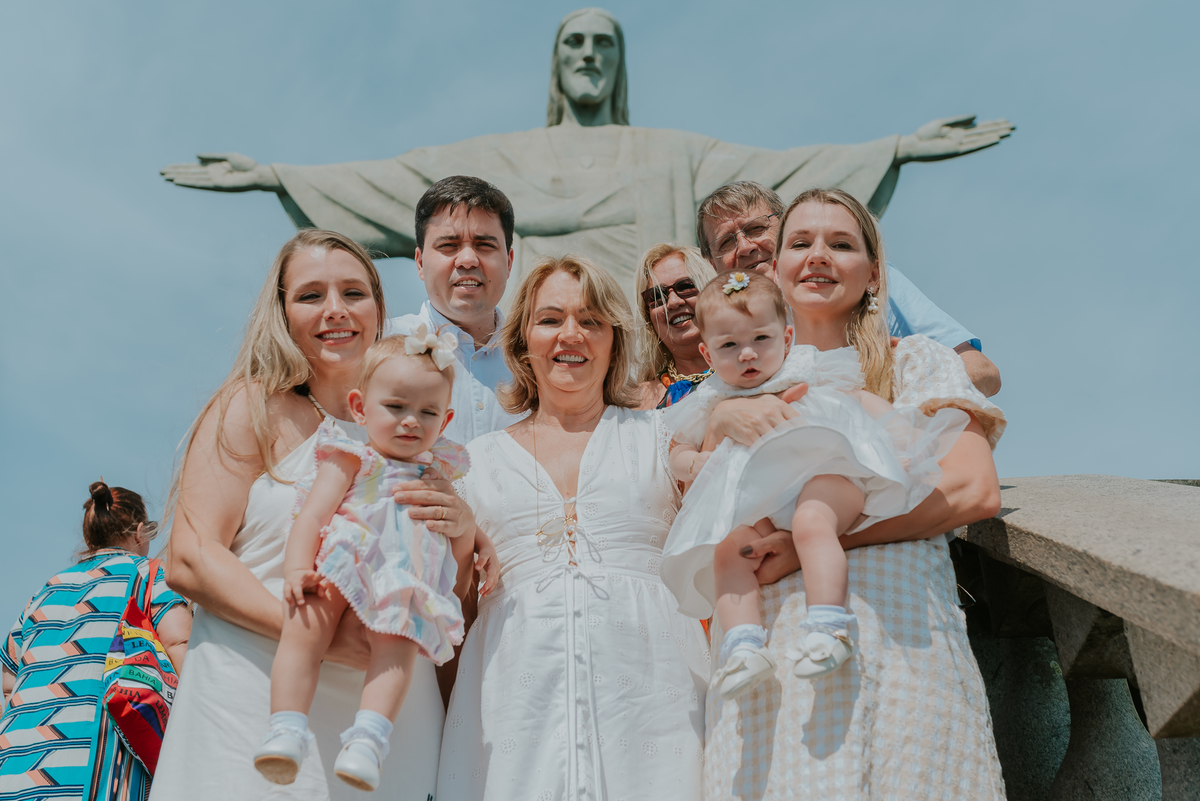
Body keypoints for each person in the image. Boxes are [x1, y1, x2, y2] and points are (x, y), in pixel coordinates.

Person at [161, 9, 1013, 305]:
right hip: (546, 337)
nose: (589, 56)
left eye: (605, 44)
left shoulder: (672, 153)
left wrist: (894, 147)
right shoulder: (504, 156)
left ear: (619, 63)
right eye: (574, 43)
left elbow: (779, 177)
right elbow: (404, 184)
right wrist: (280, 175)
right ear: (557, 63)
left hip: (651, 335)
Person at [700, 188, 1008, 798]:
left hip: (903, 632)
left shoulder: (914, 362)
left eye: (841, 244)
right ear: (776, 267)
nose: (818, 256)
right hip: (774, 650)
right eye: (801, 243)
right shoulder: (730, 387)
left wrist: (816, 536)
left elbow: (973, 489)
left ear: (873, 274)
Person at [151, 230, 476, 801]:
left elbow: (452, 595)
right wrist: (315, 634)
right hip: (253, 701)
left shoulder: (424, 441)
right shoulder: (251, 406)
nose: (335, 311)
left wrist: (466, 534)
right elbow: (192, 557)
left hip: (389, 730)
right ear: (280, 312)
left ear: (379, 306)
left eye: (354, 292)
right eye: (310, 296)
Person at [436, 255, 709, 800]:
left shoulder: (660, 436)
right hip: (513, 713)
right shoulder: (473, 463)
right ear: (521, 342)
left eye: (590, 320)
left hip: (655, 705)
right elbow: (454, 611)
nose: (571, 334)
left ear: (614, 339)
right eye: (551, 319)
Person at [662, 272, 969, 699]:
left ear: (787, 337)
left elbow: (859, 401)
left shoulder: (806, 365)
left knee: (811, 523)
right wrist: (691, 460)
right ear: (706, 352)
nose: (747, 354)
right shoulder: (711, 396)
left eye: (761, 339)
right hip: (761, 500)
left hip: (826, 473)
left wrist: (900, 440)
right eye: (729, 346)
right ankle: (743, 644)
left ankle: (828, 625)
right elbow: (675, 445)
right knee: (729, 549)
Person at [254, 336, 499, 792]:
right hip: (343, 565)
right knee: (306, 626)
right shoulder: (353, 458)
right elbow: (311, 516)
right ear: (360, 407)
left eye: (428, 413)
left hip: (402, 578)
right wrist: (295, 569)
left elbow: (456, 513)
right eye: (396, 407)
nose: (411, 421)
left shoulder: (435, 472)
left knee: (399, 645)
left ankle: (369, 739)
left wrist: (480, 539)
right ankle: (286, 727)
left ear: (445, 420)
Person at [694, 180, 1003, 397]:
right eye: (726, 242)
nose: (745, 246)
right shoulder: (722, 326)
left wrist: (890, 398)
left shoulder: (874, 283)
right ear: (711, 263)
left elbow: (982, 371)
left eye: (756, 228)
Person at [0, 481, 191, 801]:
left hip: (16, 769)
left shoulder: (47, 590)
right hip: (94, 773)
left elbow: (9, 681)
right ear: (140, 532)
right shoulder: (149, 574)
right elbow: (179, 644)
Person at [386, 175, 524, 446]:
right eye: (448, 246)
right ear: (420, 262)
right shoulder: (380, 346)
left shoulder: (538, 360)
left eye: (485, 245)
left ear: (508, 261)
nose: (468, 260)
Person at [632, 243, 716, 408]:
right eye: (657, 296)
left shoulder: (756, 366)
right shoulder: (636, 403)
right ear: (649, 319)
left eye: (686, 286)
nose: (673, 302)